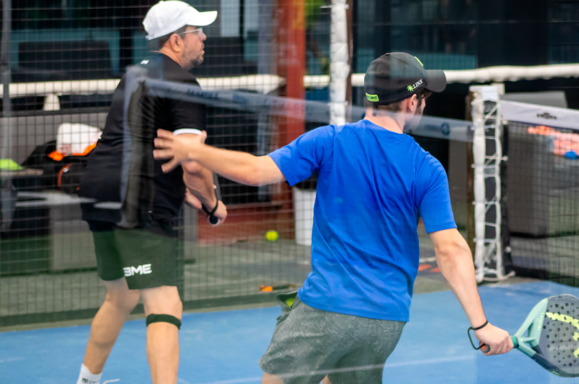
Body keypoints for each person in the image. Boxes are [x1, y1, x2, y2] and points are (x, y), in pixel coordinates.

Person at [153, 52, 514, 384]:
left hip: (327, 309)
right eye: (423, 98)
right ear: (410, 101)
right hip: (386, 321)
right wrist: (480, 325)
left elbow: (254, 171)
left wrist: (194, 150)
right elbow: (451, 248)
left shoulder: (329, 140)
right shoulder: (427, 168)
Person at [75, 2, 226, 383]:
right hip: (139, 202)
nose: (203, 37)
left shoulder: (133, 75)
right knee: (165, 303)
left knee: (121, 296)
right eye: (197, 31)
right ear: (176, 40)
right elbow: (193, 161)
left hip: (99, 193)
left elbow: (141, 141)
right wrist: (212, 202)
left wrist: (179, 186)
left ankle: (86, 380)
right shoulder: (182, 81)